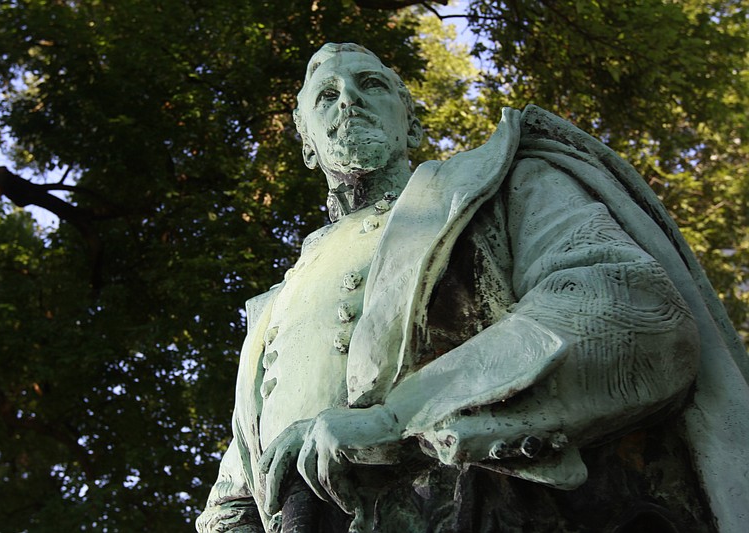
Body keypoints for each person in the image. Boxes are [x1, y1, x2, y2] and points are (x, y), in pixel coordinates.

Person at [197, 43, 749, 533]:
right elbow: (236, 496)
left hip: (494, 504)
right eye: (326, 96)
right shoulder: (274, 308)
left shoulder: (500, 184)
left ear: (411, 125)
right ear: (308, 147)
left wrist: (399, 420)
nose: (349, 100)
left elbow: (630, 308)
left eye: (371, 85)